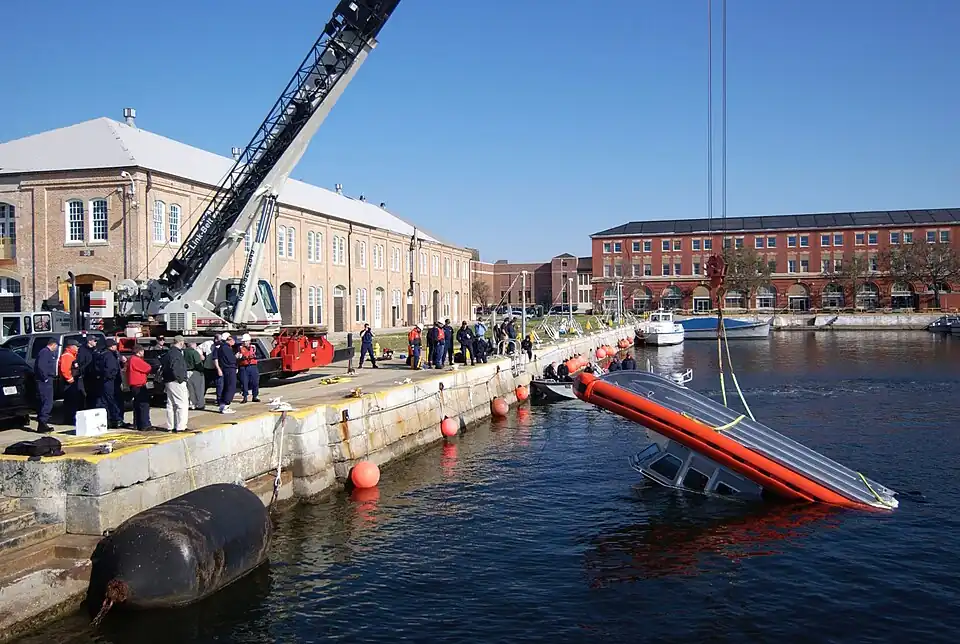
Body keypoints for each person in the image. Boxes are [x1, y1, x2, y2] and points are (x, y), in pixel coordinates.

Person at [160, 336, 190, 432]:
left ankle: (170, 426)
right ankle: (181, 426)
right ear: (181, 342)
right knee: (182, 404)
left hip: (168, 381)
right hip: (176, 381)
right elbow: (176, 367)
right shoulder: (177, 353)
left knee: (171, 404)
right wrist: (180, 379)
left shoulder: (168, 352)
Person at [96, 339, 125, 428]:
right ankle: (116, 420)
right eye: (115, 345)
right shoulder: (109, 355)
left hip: (105, 382)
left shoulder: (102, 354)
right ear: (111, 346)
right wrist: (111, 377)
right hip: (111, 382)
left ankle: (109, 420)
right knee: (114, 401)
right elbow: (111, 369)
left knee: (106, 401)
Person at [126, 345, 154, 430]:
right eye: (142, 351)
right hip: (139, 385)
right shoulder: (136, 360)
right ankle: (145, 424)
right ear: (139, 351)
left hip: (134, 385)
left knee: (137, 405)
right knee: (144, 404)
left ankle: (137, 424)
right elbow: (148, 368)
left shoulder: (130, 359)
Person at [34, 338, 58, 433]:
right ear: (53, 344)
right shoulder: (45, 352)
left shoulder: (48, 353)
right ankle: (42, 423)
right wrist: (45, 378)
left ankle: (43, 423)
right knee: (47, 402)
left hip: (48, 379)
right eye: (56, 346)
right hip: (44, 381)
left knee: (47, 401)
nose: (56, 348)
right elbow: (41, 366)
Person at [58, 340, 82, 424]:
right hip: (68, 383)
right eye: (76, 346)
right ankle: (69, 419)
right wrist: (70, 380)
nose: (78, 348)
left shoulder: (72, 355)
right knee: (70, 401)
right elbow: (64, 369)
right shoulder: (67, 356)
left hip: (72, 382)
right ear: (71, 346)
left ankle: (72, 418)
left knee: (73, 401)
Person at [214, 334, 238, 414]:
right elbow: (231, 359)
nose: (234, 342)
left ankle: (222, 405)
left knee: (226, 387)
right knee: (231, 387)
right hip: (229, 369)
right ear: (230, 340)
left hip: (225, 369)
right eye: (234, 340)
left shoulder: (221, 347)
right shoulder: (226, 348)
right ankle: (226, 405)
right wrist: (237, 357)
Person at [76, 335, 100, 409]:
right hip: (85, 376)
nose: (96, 342)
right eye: (95, 341)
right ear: (89, 341)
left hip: (94, 376)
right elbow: (81, 363)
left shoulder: (95, 350)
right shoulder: (82, 350)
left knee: (94, 394)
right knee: (85, 394)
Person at [236, 333, 261, 402]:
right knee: (244, 382)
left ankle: (255, 396)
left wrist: (254, 356)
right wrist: (241, 357)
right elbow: (237, 357)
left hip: (253, 366)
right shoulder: (239, 348)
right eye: (244, 341)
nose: (245, 343)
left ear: (249, 341)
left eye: (246, 341)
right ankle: (245, 397)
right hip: (243, 367)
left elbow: (259, 355)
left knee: (255, 382)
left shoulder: (254, 347)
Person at [184, 341, 207, 410]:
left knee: (190, 390)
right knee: (199, 389)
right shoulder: (194, 352)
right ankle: (200, 405)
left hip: (187, 372)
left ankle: (192, 404)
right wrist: (202, 370)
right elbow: (198, 363)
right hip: (195, 372)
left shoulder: (183, 352)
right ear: (193, 345)